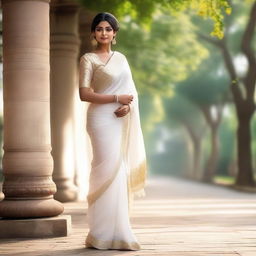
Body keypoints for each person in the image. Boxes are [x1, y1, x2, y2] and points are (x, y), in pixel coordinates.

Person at [79, 12, 147, 251]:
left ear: (115, 33)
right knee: (103, 170)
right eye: (99, 29)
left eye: (108, 29)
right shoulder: (88, 59)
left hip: (118, 119)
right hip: (99, 120)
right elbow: (84, 94)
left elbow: (132, 93)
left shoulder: (122, 59)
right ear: (93, 33)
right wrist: (117, 98)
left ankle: (119, 231)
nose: (104, 33)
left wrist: (127, 106)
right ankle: (99, 232)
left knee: (119, 172)